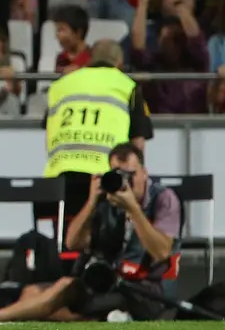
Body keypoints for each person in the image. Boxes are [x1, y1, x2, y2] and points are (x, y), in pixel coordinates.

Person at [0, 143, 181, 323]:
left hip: (146, 291)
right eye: (118, 175)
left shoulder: (164, 200)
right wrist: (92, 201)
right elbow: (73, 242)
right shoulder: (108, 199)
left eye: (131, 175)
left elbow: (162, 252)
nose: (126, 183)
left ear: (145, 173)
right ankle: (100, 320)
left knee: (64, 290)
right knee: (31, 291)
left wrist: (133, 210)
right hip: (107, 281)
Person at [39, 40, 155, 229]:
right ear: (119, 63)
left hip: (58, 184)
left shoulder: (61, 85)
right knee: (106, 244)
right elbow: (137, 144)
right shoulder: (127, 85)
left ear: (90, 60)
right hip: (104, 182)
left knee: (64, 245)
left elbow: (49, 133)